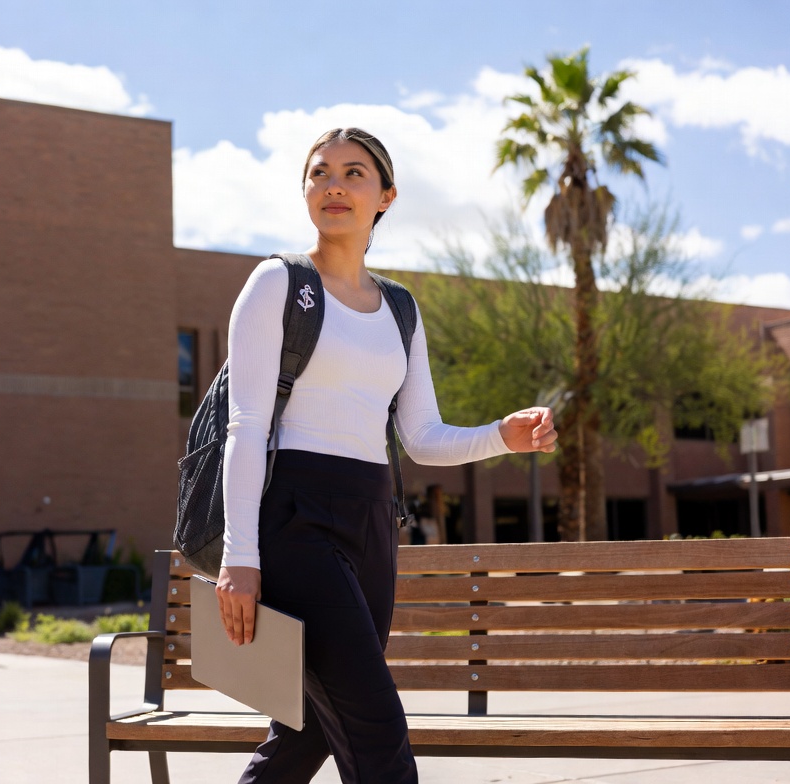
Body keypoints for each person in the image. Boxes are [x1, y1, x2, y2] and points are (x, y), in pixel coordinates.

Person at [216, 127, 558, 784]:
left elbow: (422, 437)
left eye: (354, 173)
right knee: (377, 729)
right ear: (306, 191)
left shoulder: (400, 307)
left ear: (386, 197)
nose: (335, 185)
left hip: (374, 523)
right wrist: (240, 558)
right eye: (320, 173)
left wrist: (499, 435)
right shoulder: (277, 284)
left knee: (309, 729)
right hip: (294, 520)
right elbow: (247, 425)